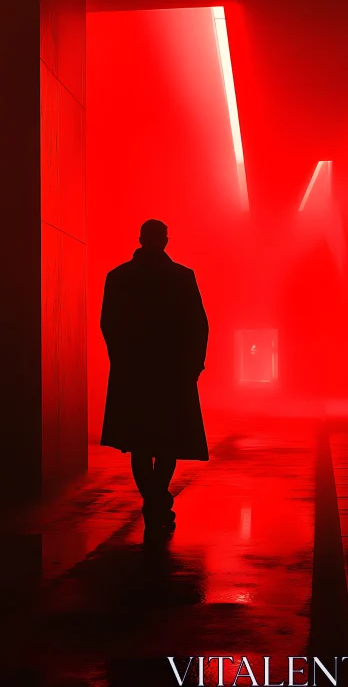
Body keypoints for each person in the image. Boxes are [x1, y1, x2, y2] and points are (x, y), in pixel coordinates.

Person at [100, 219, 209, 538]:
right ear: (165, 241)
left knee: (139, 442)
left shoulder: (118, 277)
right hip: (172, 371)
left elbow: (110, 325)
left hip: (133, 371)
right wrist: (193, 366)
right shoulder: (182, 277)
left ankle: (153, 500)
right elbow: (198, 325)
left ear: (140, 240)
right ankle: (156, 499)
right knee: (167, 441)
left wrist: (120, 362)